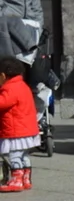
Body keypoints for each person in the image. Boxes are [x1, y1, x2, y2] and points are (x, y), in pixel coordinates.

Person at [0, 55, 39, 192]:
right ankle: (26, 179)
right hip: (27, 130)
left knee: (14, 156)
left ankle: (16, 181)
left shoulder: (10, 88)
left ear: (3, 76)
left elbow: (2, 102)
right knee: (24, 155)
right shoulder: (22, 85)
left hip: (16, 131)